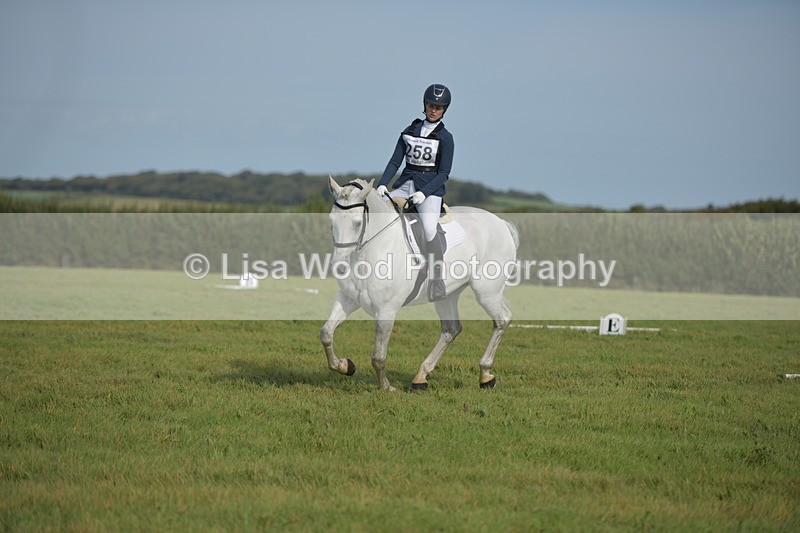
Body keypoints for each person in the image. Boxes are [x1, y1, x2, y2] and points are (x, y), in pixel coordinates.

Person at [376, 83, 454, 301]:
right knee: (381, 215)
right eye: (430, 105)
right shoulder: (409, 131)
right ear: (424, 105)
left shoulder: (446, 138)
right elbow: (394, 162)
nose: (433, 110)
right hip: (406, 183)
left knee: (429, 229)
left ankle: (437, 280)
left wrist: (425, 193)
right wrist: (383, 184)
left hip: (430, 188)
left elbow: (444, 172)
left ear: (444, 110)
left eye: (438, 107)